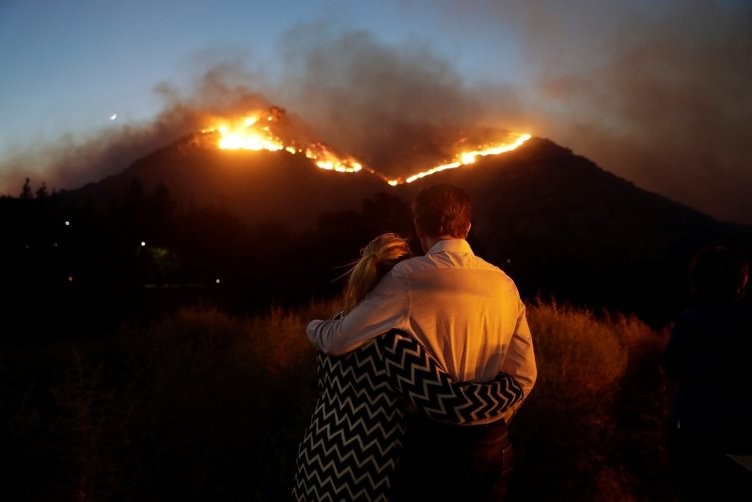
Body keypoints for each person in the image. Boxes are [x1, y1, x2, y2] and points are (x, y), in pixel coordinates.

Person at [307, 183, 537, 500]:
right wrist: (489, 419)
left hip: (435, 446)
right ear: (468, 226)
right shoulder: (504, 284)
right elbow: (525, 374)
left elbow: (339, 340)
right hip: (495, 445)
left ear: (418, 226)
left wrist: (313, 327)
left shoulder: (408, 278)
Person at [665, 244, 752, 501]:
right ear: (741, 281)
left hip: (691, 430)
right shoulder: (746, 321)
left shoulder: (690, 319)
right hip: (740, 433)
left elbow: (672, 367)